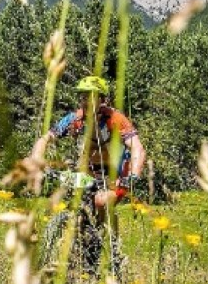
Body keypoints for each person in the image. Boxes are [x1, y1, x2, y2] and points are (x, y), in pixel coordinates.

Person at [30, 74, 146, 216]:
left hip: (118, 172)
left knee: (100, 202)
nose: (87, 102)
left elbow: (137, 148)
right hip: (91, 171)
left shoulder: (115, 119)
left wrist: (133, 176)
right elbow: (45, 138)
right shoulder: (75, 119)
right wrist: (36, 159)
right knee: (74, 199)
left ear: (102, 100)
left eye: (92, 97)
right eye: (84, 98)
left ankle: (111, 237)